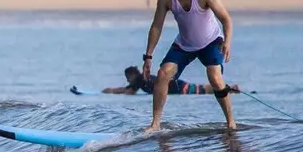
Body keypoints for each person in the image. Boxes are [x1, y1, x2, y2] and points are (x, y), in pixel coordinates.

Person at [141, 0, 236, 131]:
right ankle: (155, 124)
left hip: (210, 41)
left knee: (215, 77)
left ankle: (231, 123)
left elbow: (226, 19)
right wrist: (148, 56)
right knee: (163, 74)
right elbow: (156, 26)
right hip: (185, 44)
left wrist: (227, 42)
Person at [102, 64, 240, 95]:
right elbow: (128, 89)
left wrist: (109, 91)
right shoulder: (142, 79)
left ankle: (230, 88)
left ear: (132, 75)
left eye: (127, 78)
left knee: (201, 90)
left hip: (175, 87)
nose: (127, 81)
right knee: (202, 89)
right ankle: (230, 88)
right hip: (175, 85)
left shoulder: (139, 80)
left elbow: (129, 92)